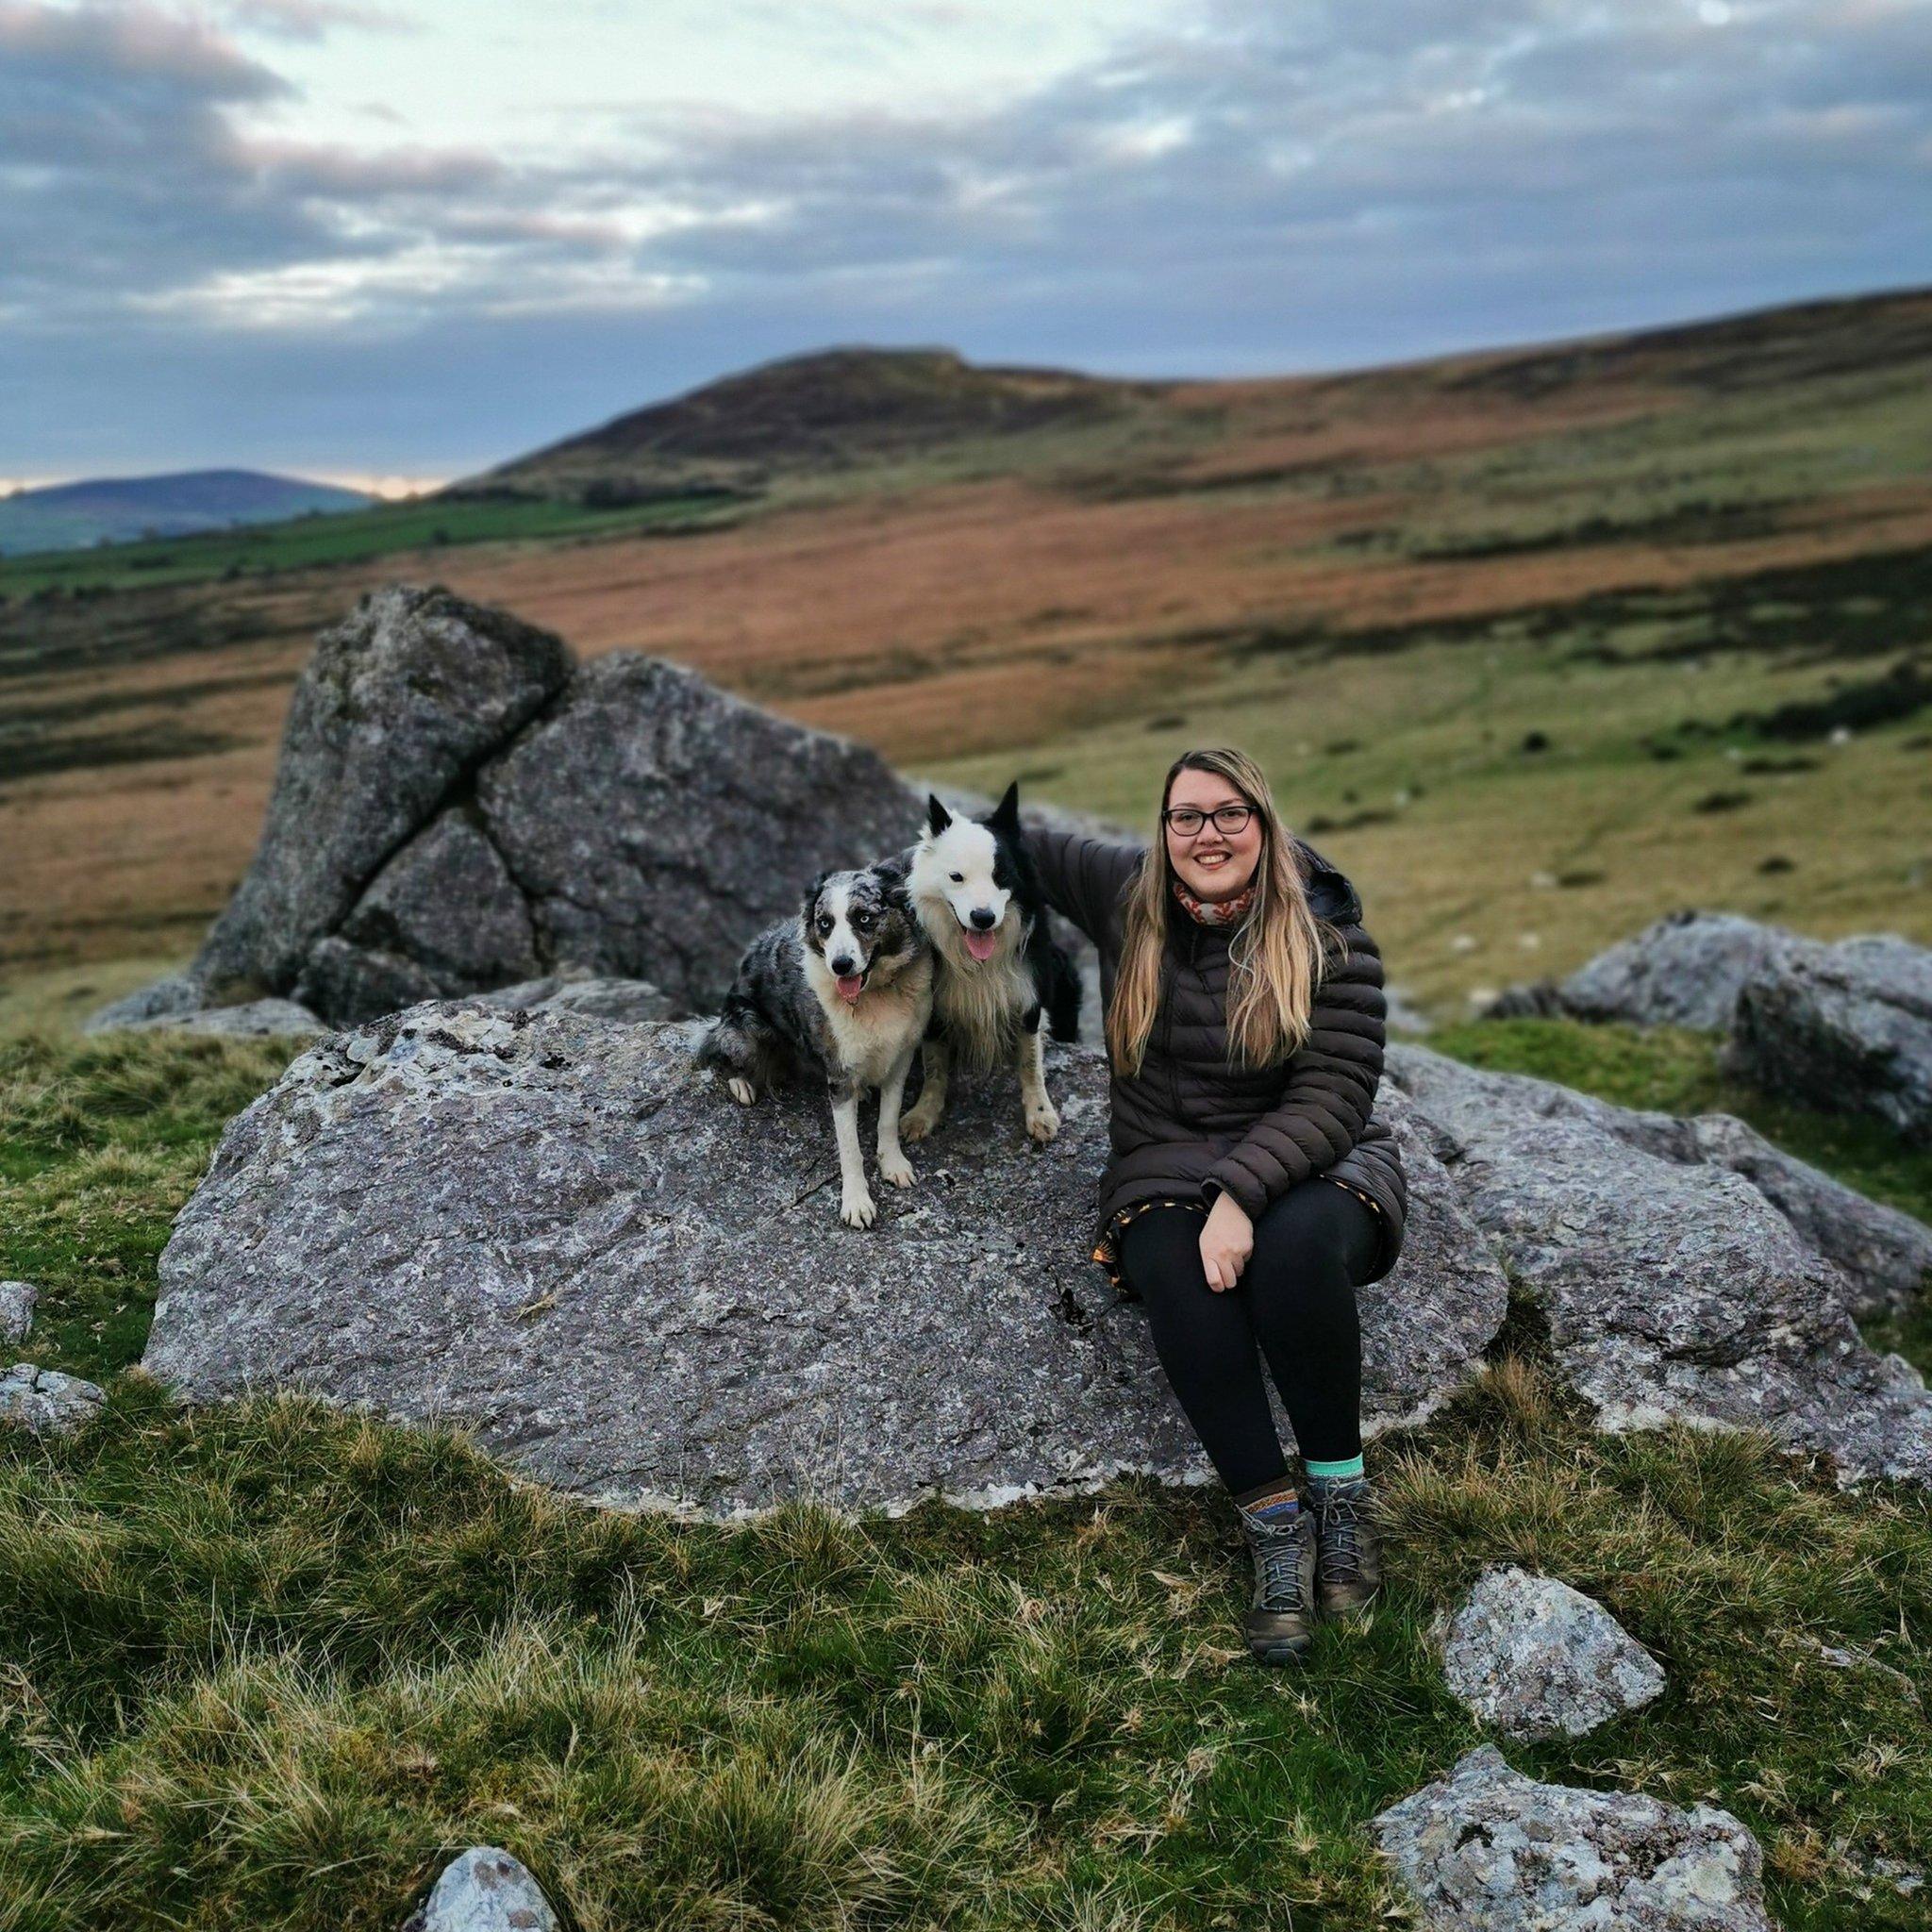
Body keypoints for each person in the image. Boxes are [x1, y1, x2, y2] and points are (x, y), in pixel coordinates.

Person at [1024, 748, 1408, 1663]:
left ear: (1264, 824)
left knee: (1293, 1251)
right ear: (1161, 831)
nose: (1209, 833)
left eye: (1230, 813)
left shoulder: (1329, 935)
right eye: (1187, 815)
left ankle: (1338, 1497)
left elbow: (1333, 1095)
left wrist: (1238, 1195)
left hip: (1314, 1151)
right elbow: (1011, 847)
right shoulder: (1128, 892)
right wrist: (884, 901)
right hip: (1163, 1162)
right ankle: (1275, 1528)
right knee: (1176, 1274)